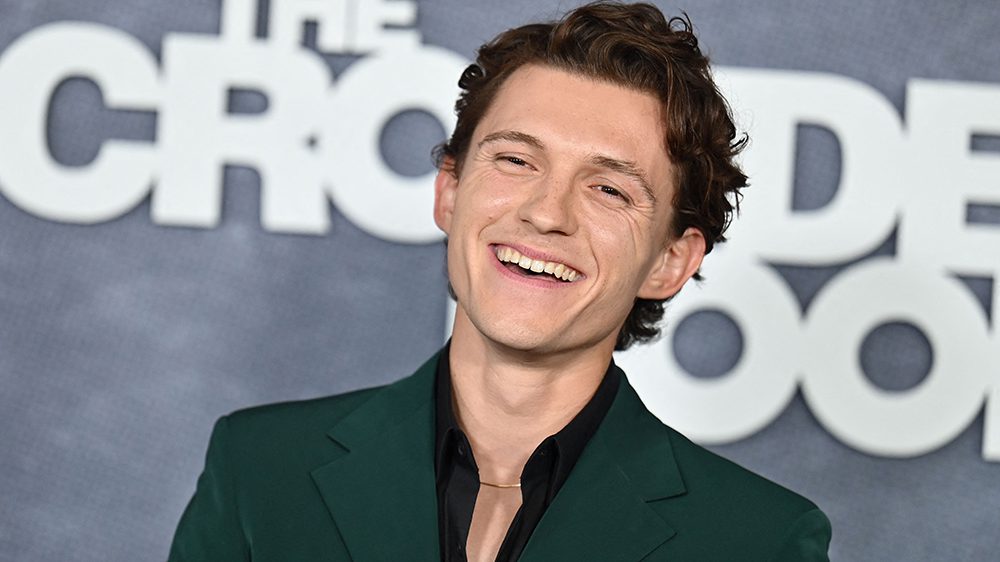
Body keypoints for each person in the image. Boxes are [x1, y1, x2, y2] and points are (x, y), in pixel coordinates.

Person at [168, 2, 832, 561]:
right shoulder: (258, 470)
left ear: (670, 262)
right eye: (515, 159)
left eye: (608, 189)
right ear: (449, 194)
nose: (546, 213)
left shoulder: (757, 541)